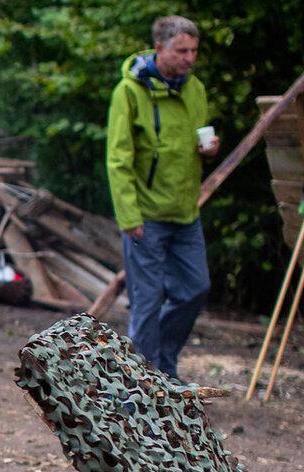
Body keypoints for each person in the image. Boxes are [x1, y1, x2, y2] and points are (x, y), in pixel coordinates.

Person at [105, 15, 218, 382]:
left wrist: (209, 149)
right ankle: (137, 383)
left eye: (194, 51)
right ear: (159, 49)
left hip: (185, 212)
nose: (189, 58)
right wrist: (129, 217)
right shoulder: (129, 92)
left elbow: (195, 138)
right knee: (147, 301)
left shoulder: (194, 88)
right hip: (145, 217)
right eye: (181, 51)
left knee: (195, 288)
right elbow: (118, 159)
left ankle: (162, 367)